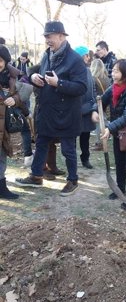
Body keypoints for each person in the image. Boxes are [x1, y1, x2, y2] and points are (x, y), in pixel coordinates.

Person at [15, 21, 88, 196]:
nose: (47, 39)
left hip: (67, 113)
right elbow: (38, 72)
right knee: (41, 144)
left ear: (62, 36)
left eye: (50, 36)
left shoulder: (75, 60)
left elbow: (81, 88)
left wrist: (59, 83)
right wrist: (34, 77)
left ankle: (72, 180)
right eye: (46, 36)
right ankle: (36, 176)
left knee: (67, 149)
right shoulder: (47, 55)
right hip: (47, 111)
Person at [93, 59, 126, 210]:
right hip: (117, 132)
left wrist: (109, 128)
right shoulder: (113, 88)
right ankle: (120, 189)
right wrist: (95, 110)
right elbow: (101, 102)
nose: (112, 73)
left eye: (116, 71)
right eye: (112, 70)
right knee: (119, 163)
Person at [0, 44, 23, 199]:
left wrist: (14, 100)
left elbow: (22, 96)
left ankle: (2, 188)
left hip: (7, 124)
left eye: (0, 60)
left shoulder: (13, 77)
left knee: (3, 155)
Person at [74, 45, 96, 169]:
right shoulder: (72, 69)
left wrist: (92, 104)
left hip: (87, 110)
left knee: (85, 137)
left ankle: (85, 158)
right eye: (87, 55)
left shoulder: (88, 70)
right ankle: (72, 160)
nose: (89, 57)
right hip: (75, 110)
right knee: (72, 138)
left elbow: (92, 88)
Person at [90, 58, 110, 151]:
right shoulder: (106, 78)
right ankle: (103, 140)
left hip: (98, 103)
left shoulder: (93, 79)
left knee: (100, 123)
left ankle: (100, 143)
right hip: (106, 103)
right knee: (103, 122)